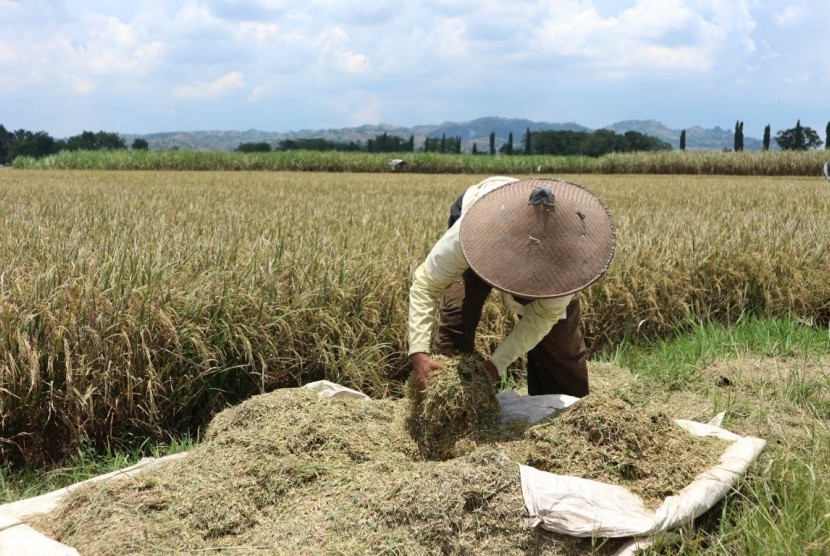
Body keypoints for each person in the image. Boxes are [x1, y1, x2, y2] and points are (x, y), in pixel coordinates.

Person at [407, 176, 616, 396]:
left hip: (549, 250)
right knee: (456, 320)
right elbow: (427, 284)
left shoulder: (570, 261)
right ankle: (445, 405)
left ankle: (563, 411)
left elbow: (543, 318)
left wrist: (496, 365)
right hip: (484, 227)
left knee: (559, 338)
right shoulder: (469, 235)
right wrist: (419, 352)